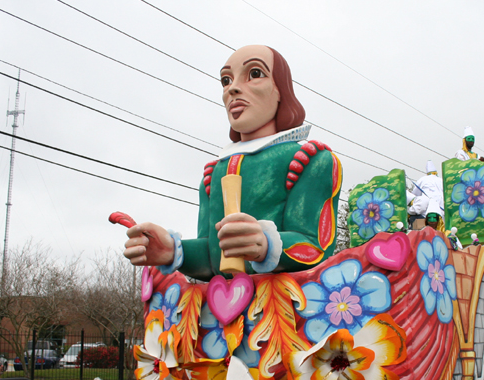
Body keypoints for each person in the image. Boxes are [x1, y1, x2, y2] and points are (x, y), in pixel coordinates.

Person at [123, 45, 342, 280]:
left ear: (281, 91)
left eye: (255, 74)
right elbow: (211, 256)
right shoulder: (213, 173)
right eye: (226, 80)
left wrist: (267, 245)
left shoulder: (311, 159)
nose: (233, 89)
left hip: (286, 308)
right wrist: (173, 251)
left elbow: (316, 247)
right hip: (220, 310)